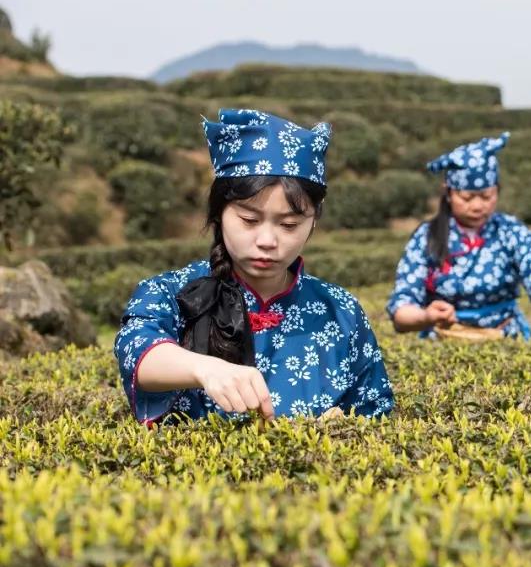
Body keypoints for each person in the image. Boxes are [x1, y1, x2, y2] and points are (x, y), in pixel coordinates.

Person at [114, 109, 394, 426]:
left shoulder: (341, 311)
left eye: (289, 224)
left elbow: (375, 414)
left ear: (313, 221)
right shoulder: (171, 294)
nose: (267, 240)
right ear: (219, 212)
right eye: (249, 220)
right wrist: (205, 368)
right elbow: (138, 352)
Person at [386, 132, 531, 342]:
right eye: (466, 197)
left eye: (486, 196)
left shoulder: (510, 230)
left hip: (505, 336)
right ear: (448, 194)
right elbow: (401, 308)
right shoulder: (426, 236)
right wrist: (426, 316)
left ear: (497, 192)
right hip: (443, 338)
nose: (477, 206)